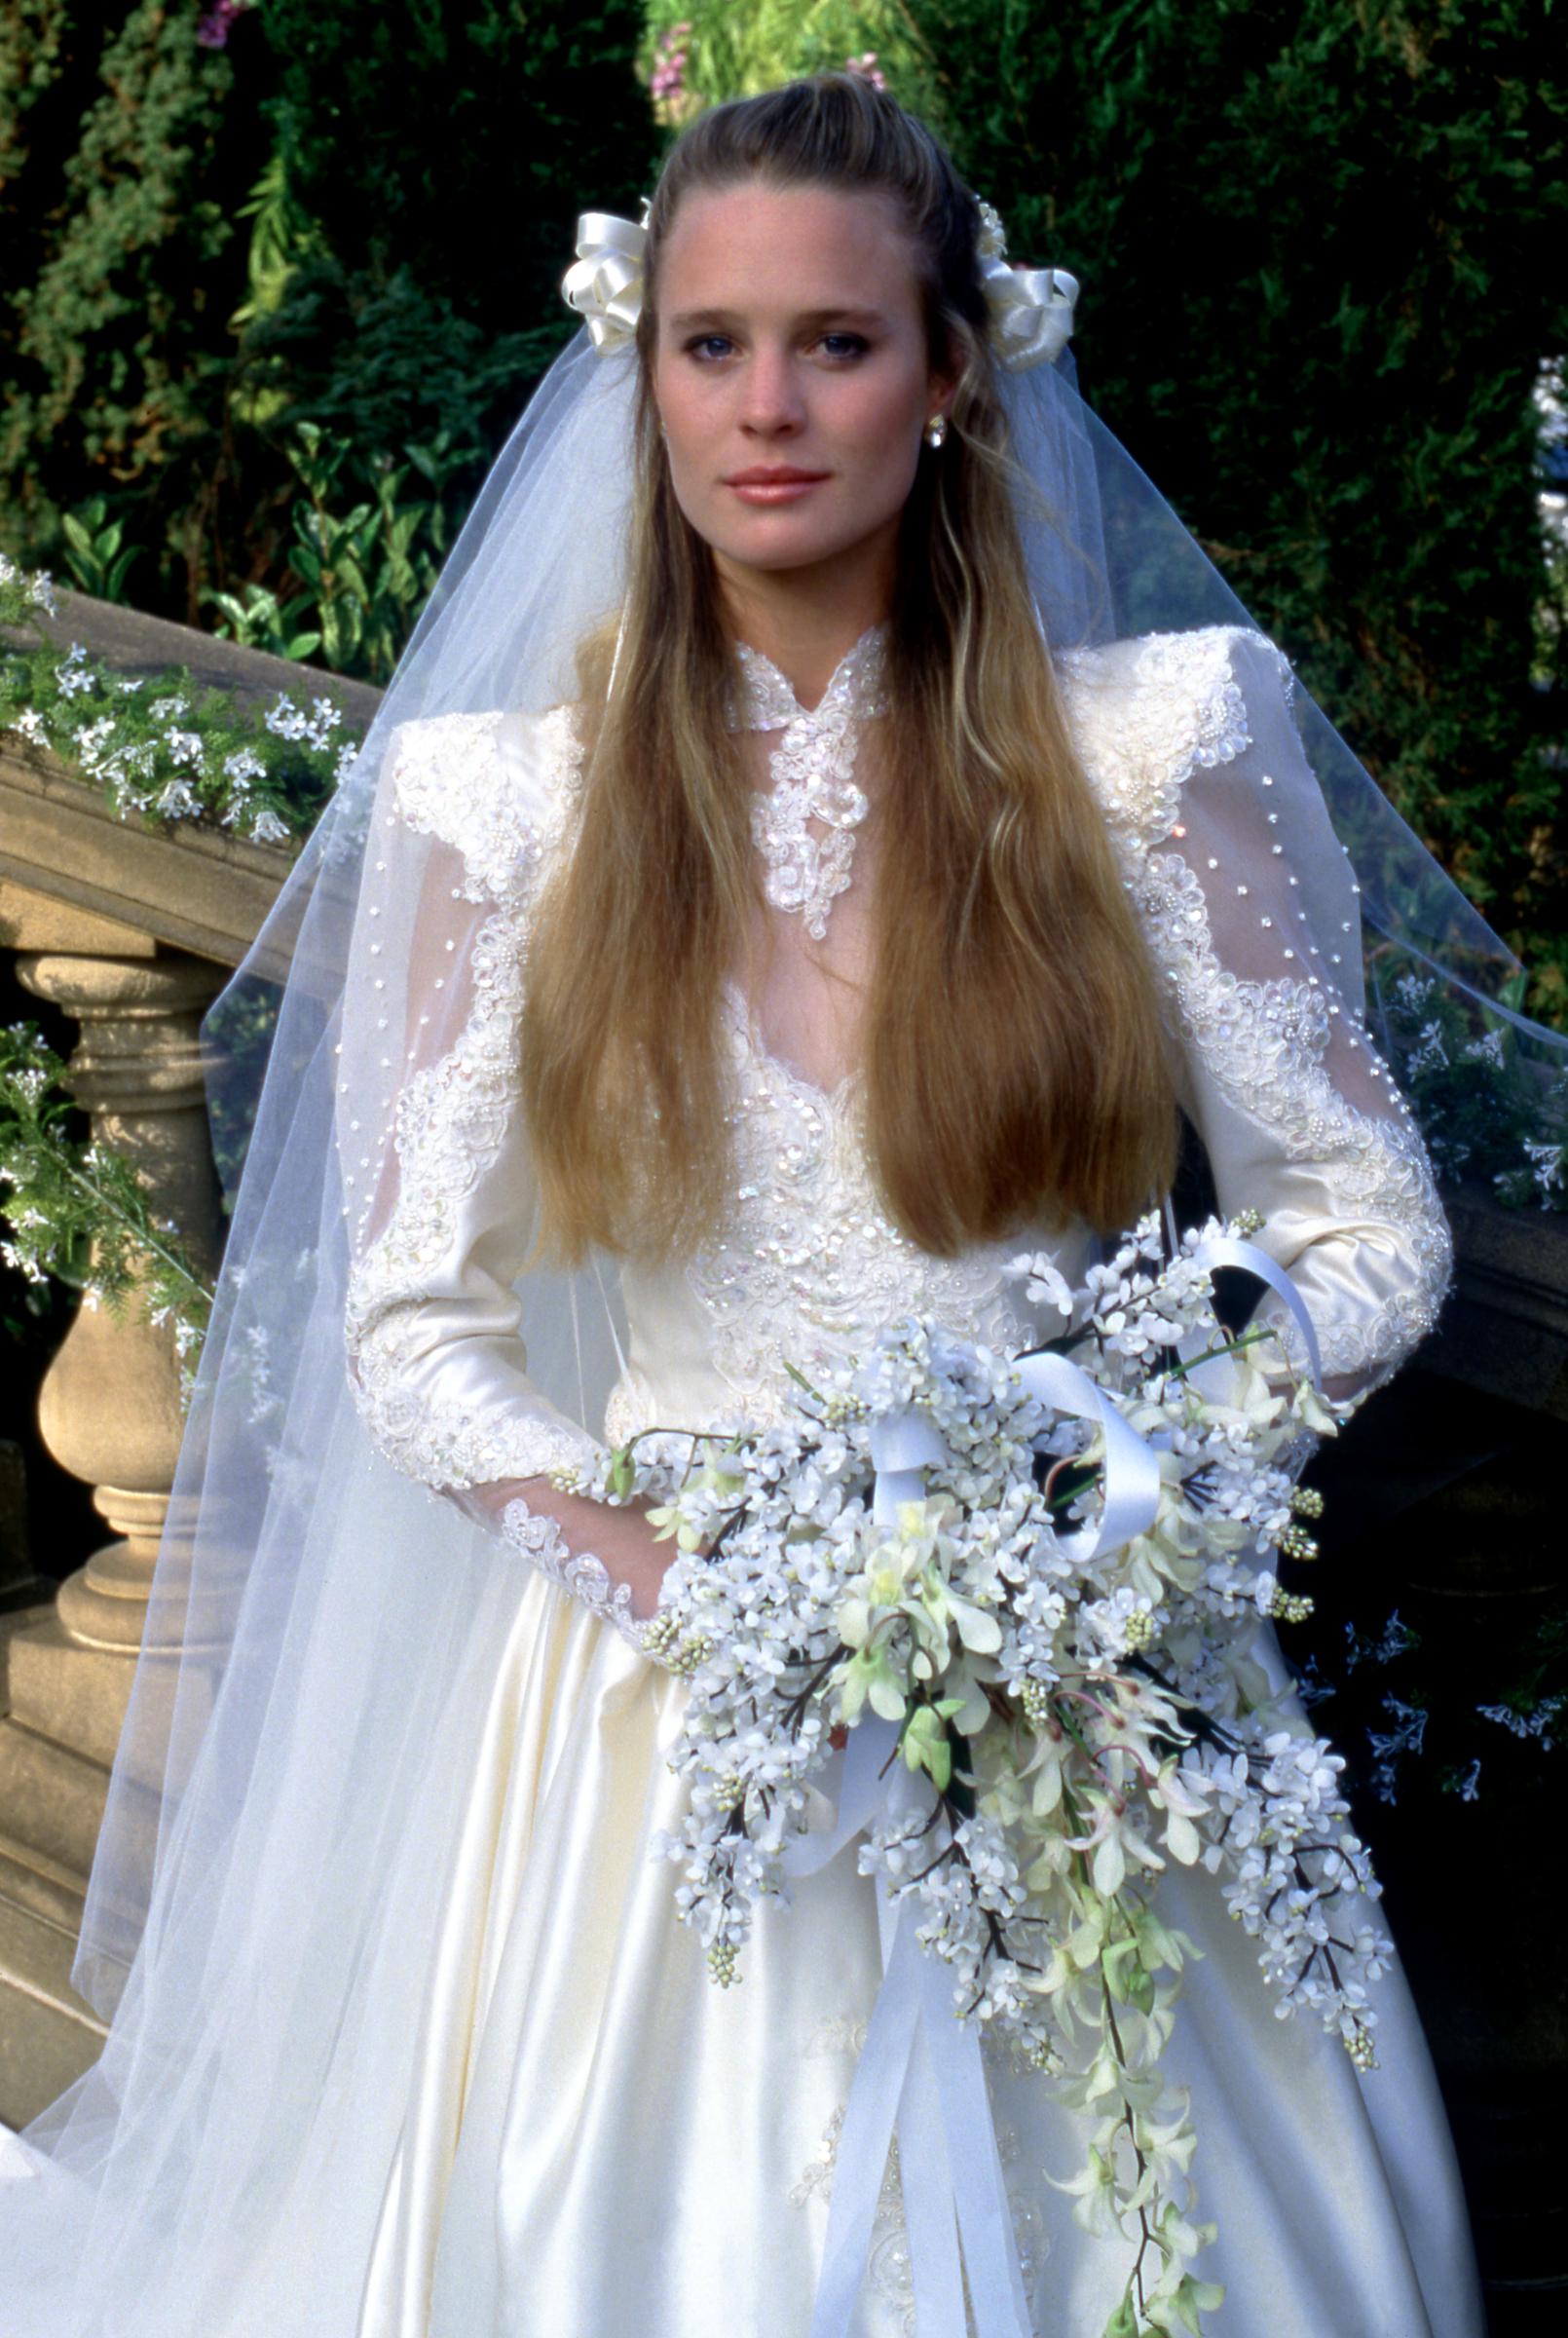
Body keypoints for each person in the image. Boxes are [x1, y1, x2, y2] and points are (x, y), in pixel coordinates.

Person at [0, 73, 1497, 2338]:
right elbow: (415, 1321)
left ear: (954, 370)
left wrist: (1114, 1503)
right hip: (644, 1734)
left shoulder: (1156, 747)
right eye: (713, 345)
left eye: (836, 341)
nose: (768, 407)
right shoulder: (496, 806)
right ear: (643, 375)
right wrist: (675, 1582)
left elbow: (1366, 1224)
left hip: (1089, 1688)